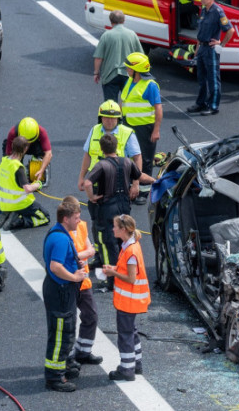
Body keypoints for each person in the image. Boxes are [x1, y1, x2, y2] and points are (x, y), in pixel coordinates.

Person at [83, 134, 154, 290]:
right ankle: (126, 273)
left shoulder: (101, 165)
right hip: (124, 208)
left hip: (107, 209)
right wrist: (156, 181)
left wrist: (92, 197)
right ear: (117, 146)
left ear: (101, 148)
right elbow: (140, 176)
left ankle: (112, 282)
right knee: (123, 241)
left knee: (108, 244)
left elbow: (87, 183)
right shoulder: (127, 162)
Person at [77, 100, 142, 263]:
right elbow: (87, 155)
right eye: (106, 118)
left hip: (116, 187)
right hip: (97, 187)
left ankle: (121, 256)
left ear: (118, 119)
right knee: (97, 223)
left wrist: (135, 184)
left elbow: (137, 157)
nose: (109, 121)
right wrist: (81, 177)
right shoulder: (94, 131)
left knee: (120, 224)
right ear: (101, 118)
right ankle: (101, 255)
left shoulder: (127, 133)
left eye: (113, 119)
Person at [42, 200, 89, 392]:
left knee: (64, 331)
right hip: (60, 290)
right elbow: (55, 266)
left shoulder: (60, 233)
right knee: (61, 334)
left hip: (60, 289)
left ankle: (65, 365)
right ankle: (54, 377)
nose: (79, 221)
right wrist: (74, 276)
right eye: (76, 218)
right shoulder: (61, 239)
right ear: (66, 218)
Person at [102, 214, 150, 382]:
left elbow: (130, 278)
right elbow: (127, 271)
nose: (113, 229)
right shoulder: (130, 245)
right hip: (132, 300)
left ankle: (127, 369)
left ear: (123, 229)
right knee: (131, 332)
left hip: (128, 301)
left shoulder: (130, 251)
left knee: (125, 335)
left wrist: (111, 272)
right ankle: (136, 364)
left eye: (115, 226)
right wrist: (115, 268)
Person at [59, 196, 103, 368]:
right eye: (76, 216)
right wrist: (84, 253)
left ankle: (83, 351)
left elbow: (90, 249)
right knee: (68, 322)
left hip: (83, 281)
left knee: (91, 316)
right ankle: (67, 357)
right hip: (69, 281)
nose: (79, 219)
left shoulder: (82, 226)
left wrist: (82, 253)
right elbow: (76, 255)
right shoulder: (64, 231)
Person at [119, 52, 162, 204]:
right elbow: (124, 101)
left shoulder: (150, 85)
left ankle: (144, 191)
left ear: (137, 69)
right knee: (130, 156)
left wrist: (156, 130)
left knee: (145, 158)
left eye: (129, 68)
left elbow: (158, 108)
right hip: (128, 125)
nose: (127, 70)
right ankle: (133, 184)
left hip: (145, 127)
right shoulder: (130, 81)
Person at [186, 0, 233, 116]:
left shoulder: (218, 11)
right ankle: (201, 103)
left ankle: (213, 106)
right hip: (202, 48)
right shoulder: (203, 11)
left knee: (213, 78)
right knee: (201, 78)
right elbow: (200, 32)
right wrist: (197, 49)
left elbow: (230, 30)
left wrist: (221, 44)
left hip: (211, 49)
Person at [0, 136, 50, 230]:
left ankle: (8, 213)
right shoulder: (18, 168)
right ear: (25, 149)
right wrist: (39, 184)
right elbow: (27, 189)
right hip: (20, 204)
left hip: (4, 204)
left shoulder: (4, 162)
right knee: (45, 217)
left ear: (12, 146)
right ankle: (19, 221)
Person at [92, 10, 143, 102]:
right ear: (124, 20)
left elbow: (99, 57)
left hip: (110, 75)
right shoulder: (132, 35)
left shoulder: (106, 35)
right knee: (128, 103)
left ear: (111, 22)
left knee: (111, 106)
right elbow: (141, 56)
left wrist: (96, 72)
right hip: (129, 74)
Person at [4, 117, 52, 184]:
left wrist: (41, 169)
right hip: (19, 145)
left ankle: (36, 161)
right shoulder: (13, 133)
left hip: (35, 146)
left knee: (43, 151)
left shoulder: (41, 131)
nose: (28, 145)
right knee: (16, 177)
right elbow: (8, 155)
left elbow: (48, 153)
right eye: (27, 143)